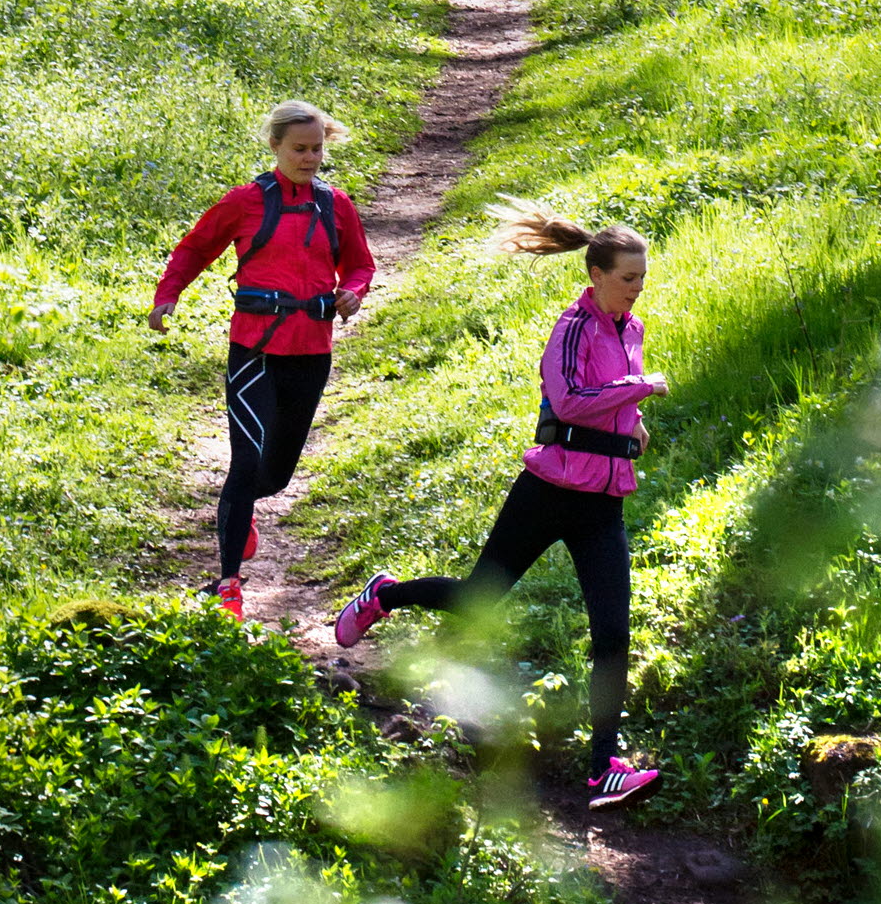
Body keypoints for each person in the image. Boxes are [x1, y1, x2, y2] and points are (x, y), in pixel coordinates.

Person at [331, 199, 668, 809]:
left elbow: (614, 398)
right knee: (477, 598)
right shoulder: (571, 328)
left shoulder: (632, 329)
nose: (636, 290)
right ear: (596, 275)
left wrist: (634, 422)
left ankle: (602, 767)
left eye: (642, 278)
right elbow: (568, 402)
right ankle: (386, 594)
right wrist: (638, 387)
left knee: (613, 632)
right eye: (627, 279)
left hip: (602, 503)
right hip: (548, 492)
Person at [151, 101, 376, 618]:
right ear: (275, 146)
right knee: (245, 462)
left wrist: (354, 291)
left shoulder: (335, 205)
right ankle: (229, 584)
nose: (311, 158)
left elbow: (360, 263)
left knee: (274, 476)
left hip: (311, 350)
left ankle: (243, 511)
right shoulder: (246, 202)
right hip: (254, 348)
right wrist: (169, 294)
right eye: (300, 148)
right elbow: (194, 248)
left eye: (318, 148)